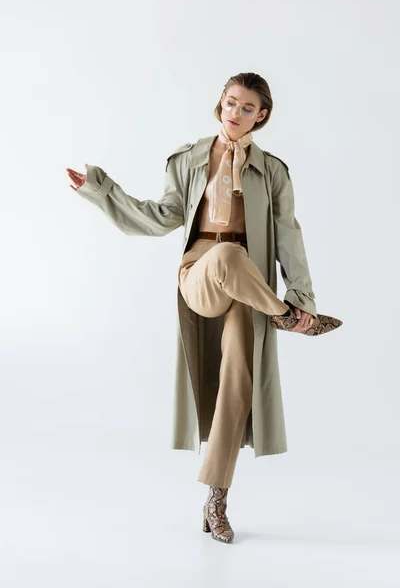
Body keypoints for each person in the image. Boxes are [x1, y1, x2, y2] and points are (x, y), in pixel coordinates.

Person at [66, 72, 342, 545]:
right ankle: (288, 319)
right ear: (220, 103)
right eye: (230, 102)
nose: (235, 113)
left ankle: (216, 500)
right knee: (228, 255)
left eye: (247, 108)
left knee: (239, 377)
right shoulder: (191, 158)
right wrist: (100, 188)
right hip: (201, 272)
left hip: (247, 283)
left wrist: (304, 292)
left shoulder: (272, 171)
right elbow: (159, 217)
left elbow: (289, 236)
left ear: (262, 116)